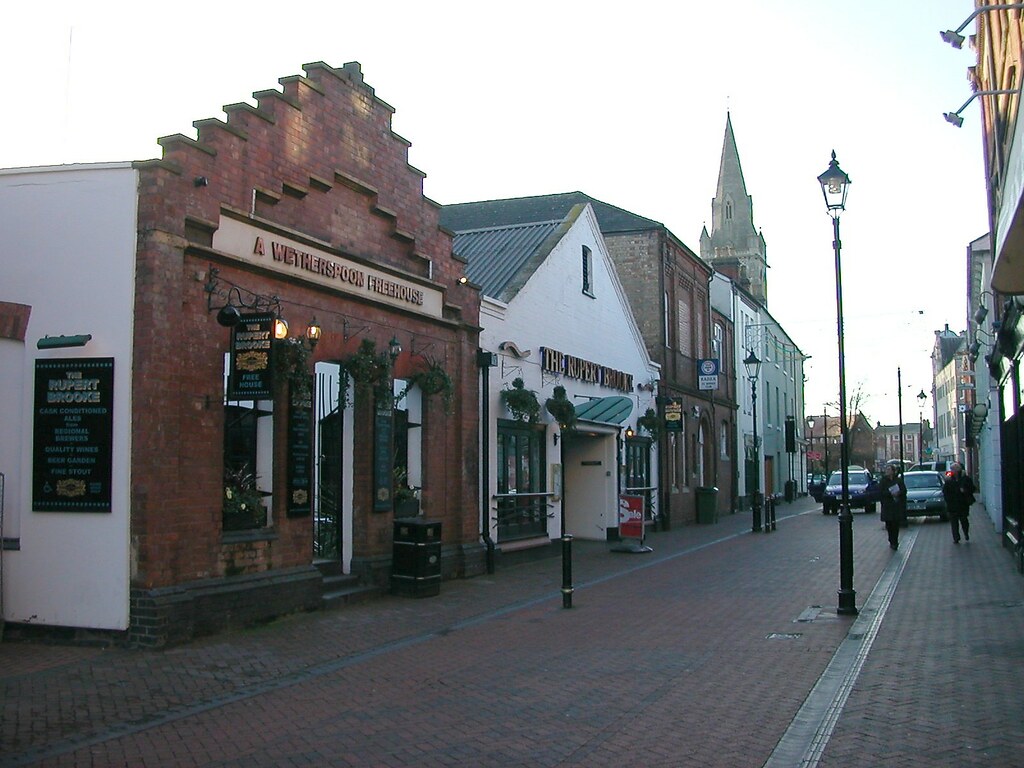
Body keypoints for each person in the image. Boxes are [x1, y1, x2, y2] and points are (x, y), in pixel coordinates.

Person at [942, 462, 976, 544]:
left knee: (964, 520)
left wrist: (965, 490)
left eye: (953, 469)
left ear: (958, 470)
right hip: (952, 504)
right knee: (954, 522)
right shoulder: (949, 479)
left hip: (963, 504)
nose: (952, 471)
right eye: (951, 469)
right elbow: (945, 491)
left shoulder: (965, 479)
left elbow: (973, 488)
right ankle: (956, 538)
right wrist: (948, 500)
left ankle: (966, 533)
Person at [879, 464, 906, 550]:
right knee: (889, 525)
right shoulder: (883, 481)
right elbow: (880, 492)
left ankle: (895, 541)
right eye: (887, 470)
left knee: (896, 525)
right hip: (887, 506)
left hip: (896, 506)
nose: (887, 471)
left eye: (889, 470)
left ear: (893, 471)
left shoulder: (898, 480)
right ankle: (891, 540)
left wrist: (899, 493)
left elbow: (904, 490)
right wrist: (890, 493)